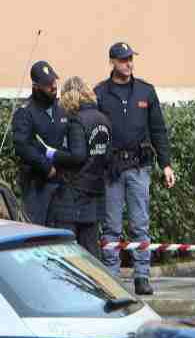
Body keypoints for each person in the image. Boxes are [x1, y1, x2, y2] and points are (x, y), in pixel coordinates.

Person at [95, 40, 175, 296]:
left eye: (130, 59)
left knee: (141, 225)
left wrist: (166, 164)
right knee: (111, 228)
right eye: (122, 59)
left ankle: (142, 276)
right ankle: (112, 277)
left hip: (139, 167)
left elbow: (158, 130)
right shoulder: (100, 93)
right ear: (112, 62)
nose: (128, 64)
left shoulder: (145, 91)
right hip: (112, 169)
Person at [45, 76, 112, 255]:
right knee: (90, 251)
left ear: (69, 96)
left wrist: (54, 154)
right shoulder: (103, 119)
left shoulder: (76, 121)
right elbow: (107, 157)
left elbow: (78, 155)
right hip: (95, 192)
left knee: (67, 251)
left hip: (73, 194)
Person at [12, 60, 67, 224]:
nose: (53, 86)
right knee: (37, 230)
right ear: (36, 86)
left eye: (54, 81)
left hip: (62, 182)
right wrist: (46, 166)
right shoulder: (25, 112)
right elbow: (22, 146)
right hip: (37, 183)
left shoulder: (62, 108)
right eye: (47, 84)